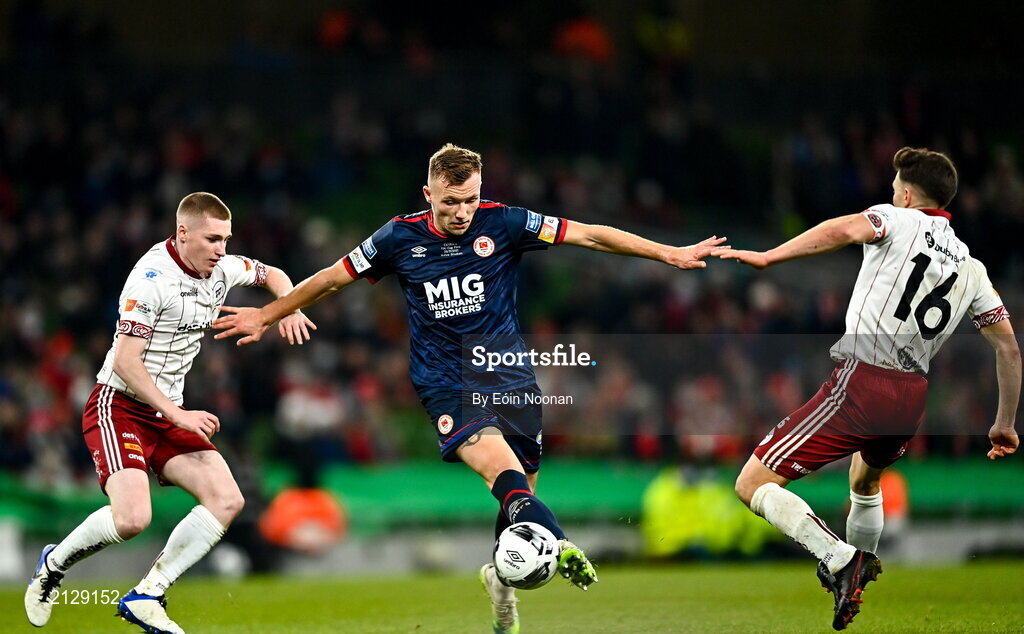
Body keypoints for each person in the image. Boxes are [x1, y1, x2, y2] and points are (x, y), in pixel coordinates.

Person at [213, 143, 726, 633]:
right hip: (446, 383)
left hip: (511, 378)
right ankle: (560, 542)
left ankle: (502, 583)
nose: (462, 212)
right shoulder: (397, 238)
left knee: (518, 503)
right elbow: (330, 278)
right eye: (451, 201)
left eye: (471, 200)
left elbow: (590, 236)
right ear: (428, 194)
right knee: (505, 475)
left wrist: (668, 253)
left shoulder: (505, 223)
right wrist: (266, 314)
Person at [717, 147, 1020, 630]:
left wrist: (770, 256)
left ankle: (841, 560)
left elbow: (842, 230)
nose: (891, 194)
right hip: (912, 397)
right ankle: (855, 583)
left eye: (895, 188)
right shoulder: (972, 268)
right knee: (864, 481)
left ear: (907, 194)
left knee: (751, 484)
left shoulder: (894, 219)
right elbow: (1008, 349)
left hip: (864, 380)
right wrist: (1004, 423)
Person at [24, 193, 315, 634]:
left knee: (228, 499)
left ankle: (148, 594)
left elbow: (272, 273)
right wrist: (178, 414)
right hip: (119, 405)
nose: (221, 249)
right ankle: (53, 565)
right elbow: (126, 362)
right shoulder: (151, 279)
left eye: (226, 239)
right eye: (212, 239)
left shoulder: (223, 268)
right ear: (183, 233)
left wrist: (287, 306)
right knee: (132, 519)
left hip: (167, 412)